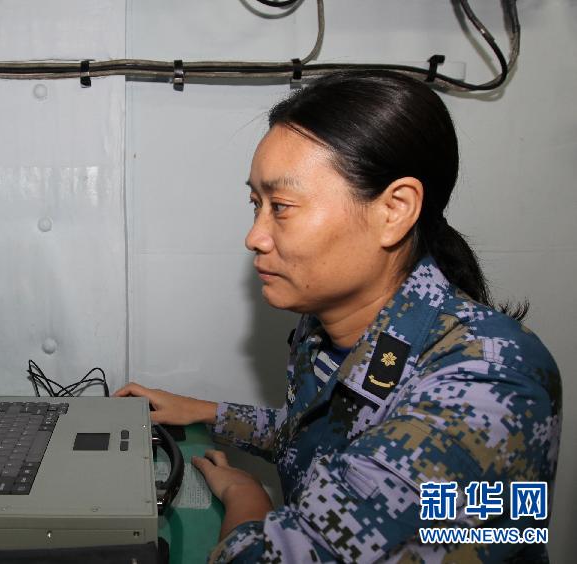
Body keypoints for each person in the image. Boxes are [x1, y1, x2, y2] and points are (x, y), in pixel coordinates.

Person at [115, 71, 561, 562]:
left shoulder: (486, 385)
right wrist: (206, 413)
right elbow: (321, 439)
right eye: (256, 204)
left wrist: (247, 499)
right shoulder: (325, 328)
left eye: (281, 206)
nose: (254, 236)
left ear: (394, 210)